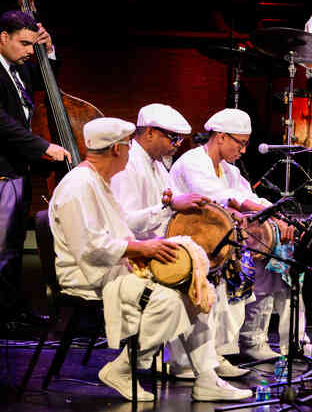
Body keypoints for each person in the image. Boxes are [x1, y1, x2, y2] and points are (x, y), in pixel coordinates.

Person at [49, 117, 251, 401]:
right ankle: (124, 367)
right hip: (89, 274)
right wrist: (142, 250)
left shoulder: (98, 181)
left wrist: (155, 235)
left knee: (196, 287)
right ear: (117, 149)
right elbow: (90, 249)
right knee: (171, 300)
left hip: (115, 266)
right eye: (127, 147)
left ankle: (206, 377)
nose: (131, 152)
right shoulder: (78, 186)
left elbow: (118, 229)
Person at [109, 103, 252, 379]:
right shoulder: (127, 166)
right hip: (130, 255)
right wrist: (171, 206)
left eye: (179, 139)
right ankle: (195, 366)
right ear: (149, 132)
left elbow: (170, 209)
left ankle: (203, 365)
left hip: (155, 248)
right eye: (172, 138)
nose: (177, 145)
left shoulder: (158, 167)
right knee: (198, 280)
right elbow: (123, 224)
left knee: (210, 270)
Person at [169, 108, 307, 363]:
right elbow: (223, 199)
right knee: (255, 252)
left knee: (278, 256)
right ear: (221, 137)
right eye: (240, 143)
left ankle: (258, 338)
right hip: (193, 239)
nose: (243, 151)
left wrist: (277, 217)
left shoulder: (228, 170)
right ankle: (219, 350)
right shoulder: (193, 162)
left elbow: (250, 197)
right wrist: (270, 212)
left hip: (220, 239)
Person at [0, 10, 71, 325]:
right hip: (3, 169)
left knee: (13, 245)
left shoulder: (19, 68)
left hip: (18, 170)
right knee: (3, 248)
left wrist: (49, 50)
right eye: (24, 43)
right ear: (3, 37)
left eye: (33, 45)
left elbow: (47, 81)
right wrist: (43, 147)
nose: (30, 51)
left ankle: (12, 309)